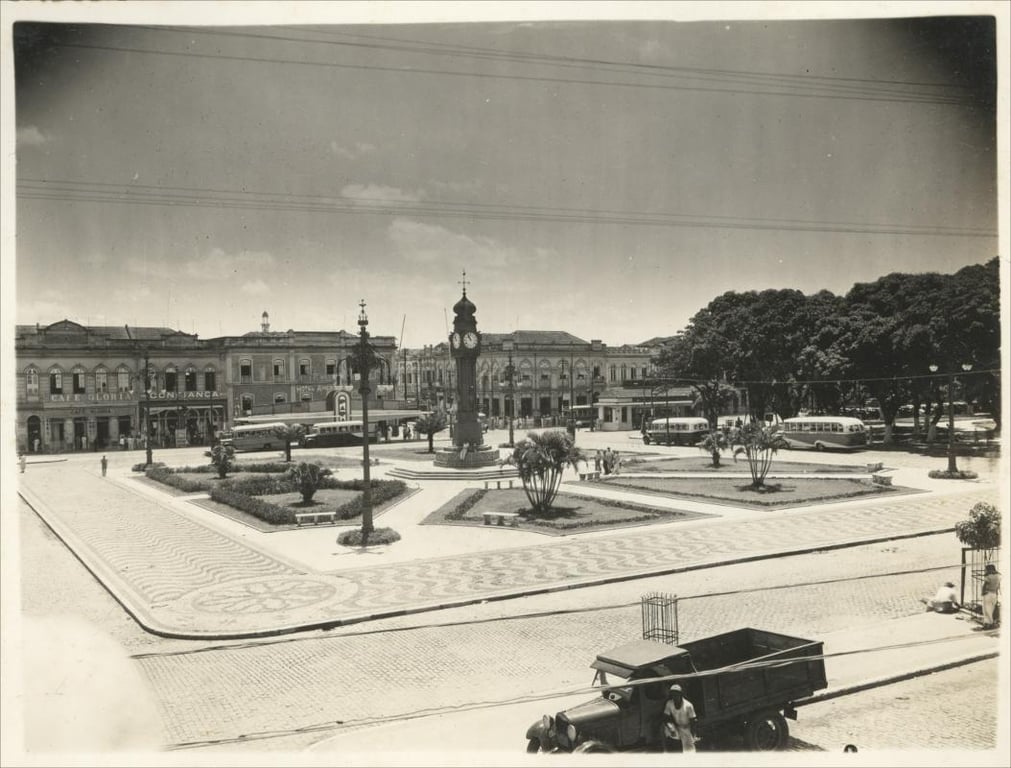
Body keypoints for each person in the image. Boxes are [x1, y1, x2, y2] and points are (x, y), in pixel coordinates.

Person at [663, 683, 698, 753]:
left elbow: (693, 721)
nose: (674, 696)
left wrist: (693, 736)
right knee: (663, 728)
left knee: (689, 750)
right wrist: (671, 727)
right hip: (676, 726)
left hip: (686, 728)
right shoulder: (669, 703)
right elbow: (666, 718)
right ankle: (666, 750)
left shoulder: (688, 705)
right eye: (673, 694)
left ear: (681, 694)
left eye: (676, 694)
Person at [981, 564, 1000, 629]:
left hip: (988, 593)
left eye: (985, 569)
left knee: (986, 610)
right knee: (991, 609)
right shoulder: (998, 576)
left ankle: (988, 623)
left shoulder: (988, 576)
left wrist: (982, 592)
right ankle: (990, 623)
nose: (985, 570)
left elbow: (984, 585)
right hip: (994, 594)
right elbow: (998, 587)